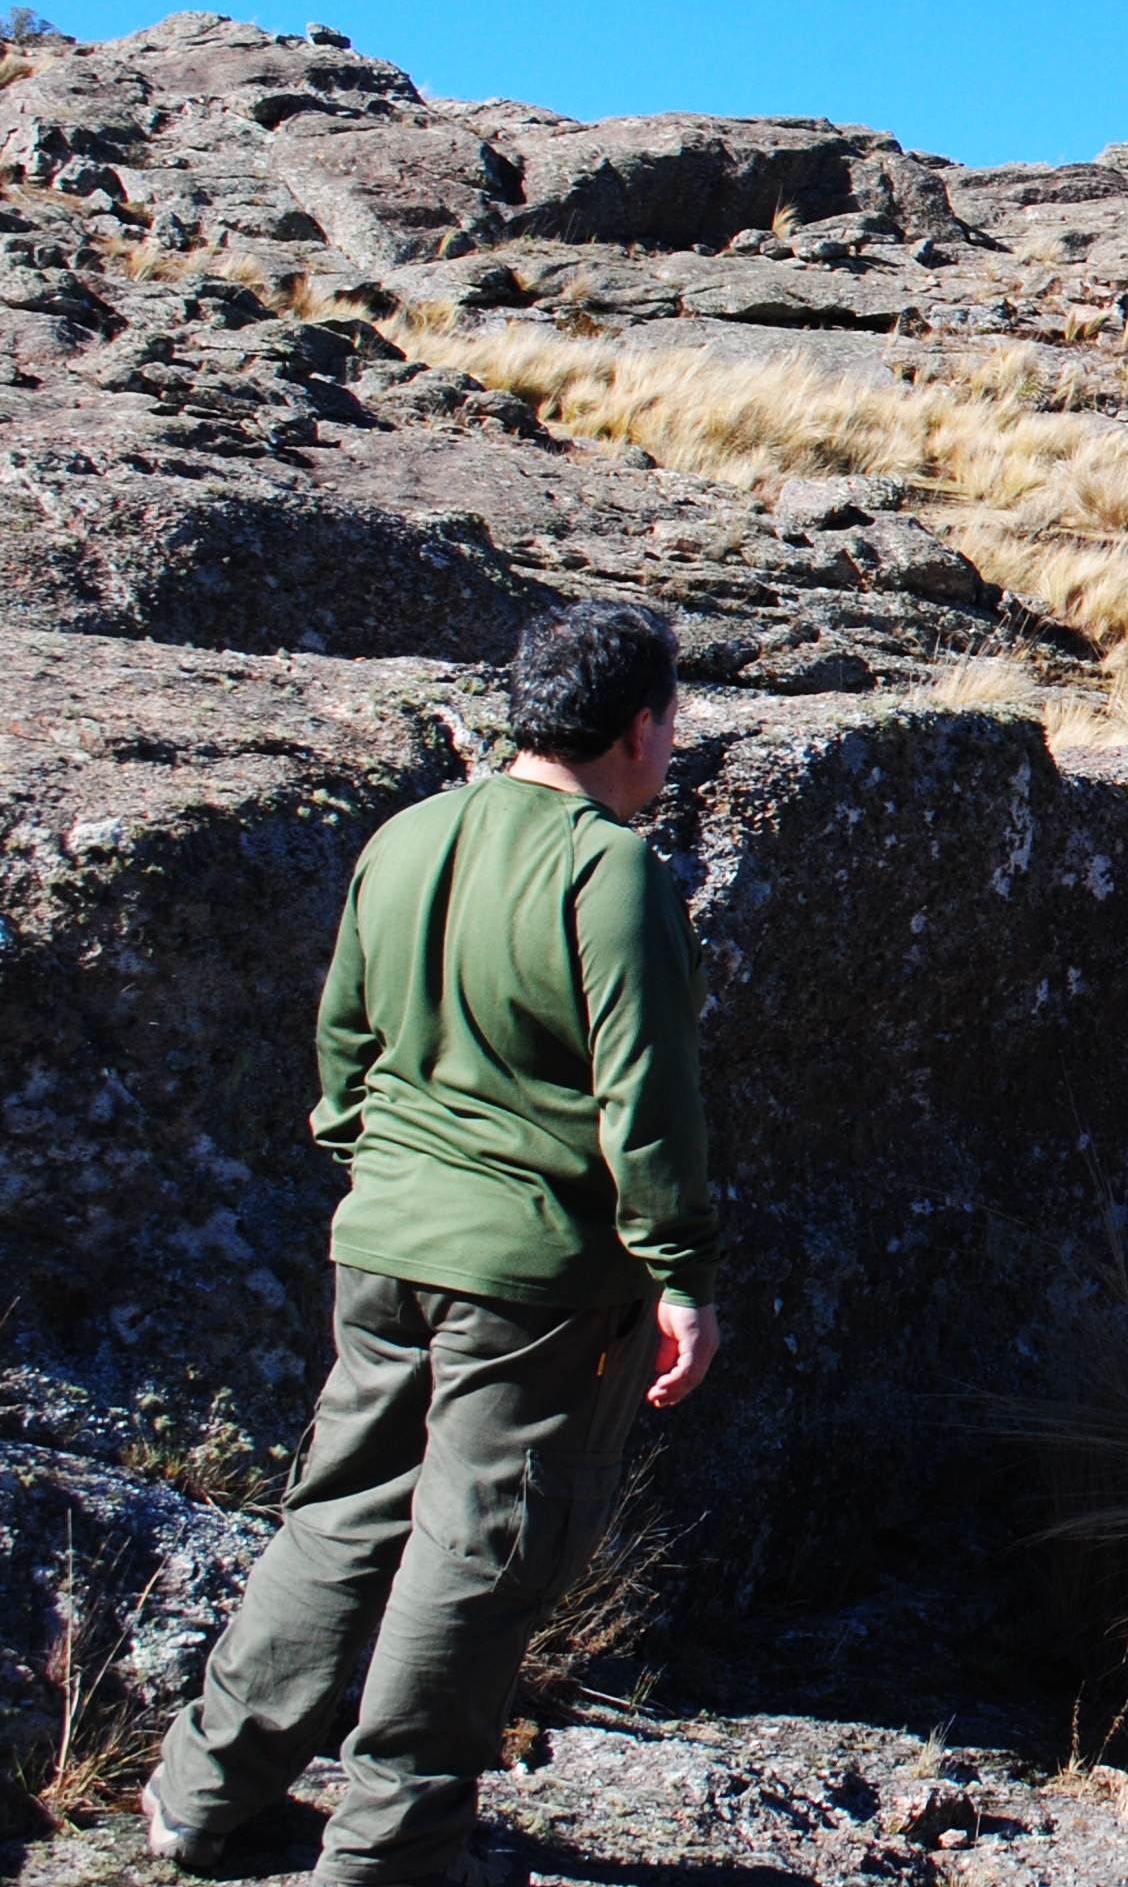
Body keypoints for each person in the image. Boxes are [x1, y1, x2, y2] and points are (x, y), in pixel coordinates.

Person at [147, 601, 723, 1887]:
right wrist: (681, 1276)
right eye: (672, 719)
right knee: (480, 1546)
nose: (674, 743)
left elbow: (343, 1042)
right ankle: (396, 1843)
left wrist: (386, 1172)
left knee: (341, 1510)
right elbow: (648, 1104)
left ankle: (201, 1791)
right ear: (637, 727)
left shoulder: (408, 835)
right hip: (534, 1281)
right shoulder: (610, 871)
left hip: (386, 1238)